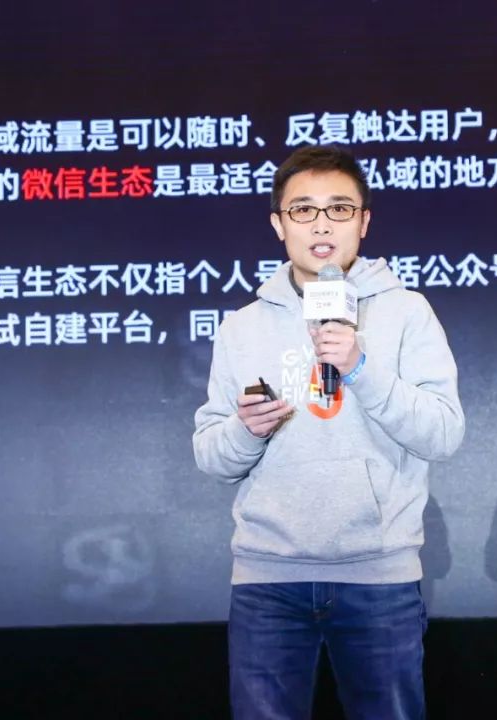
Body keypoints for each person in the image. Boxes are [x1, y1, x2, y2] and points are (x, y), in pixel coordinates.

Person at [193, 145, 465, 720]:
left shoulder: (407, 312)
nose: (321, 225)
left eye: (339, 209)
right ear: (278, 224)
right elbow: (212, 457)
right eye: (303, 210)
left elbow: (443, 433)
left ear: (364, 222)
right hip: (268, 579)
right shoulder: (241, 327)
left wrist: (362, 368)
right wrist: (245, 431)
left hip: (379, 578)